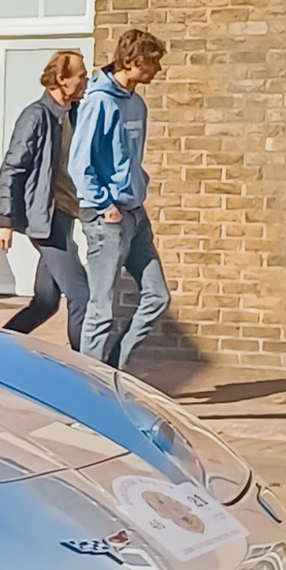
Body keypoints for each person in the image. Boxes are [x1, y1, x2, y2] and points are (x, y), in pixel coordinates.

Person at [72, 28, 170, 369]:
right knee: (101, 309)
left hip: (135, 213)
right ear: (130, 62)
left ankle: (113, 372)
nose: (157, 70)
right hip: (106, 218)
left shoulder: (137, 104)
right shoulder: (99, 102)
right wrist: (104, 205)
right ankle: (88, 388)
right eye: (152, 63)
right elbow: (79, 163)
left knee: (157, 296)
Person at [0, 50, 89, 346]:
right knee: (81, 296)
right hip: (45, 220)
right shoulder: (36, 116)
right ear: (62, 79)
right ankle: (86, 370)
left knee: (46, 302)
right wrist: (5, 220)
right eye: (81, 76)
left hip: (63, 216)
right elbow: (12, 168)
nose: (86, 81)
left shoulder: (74, 114)